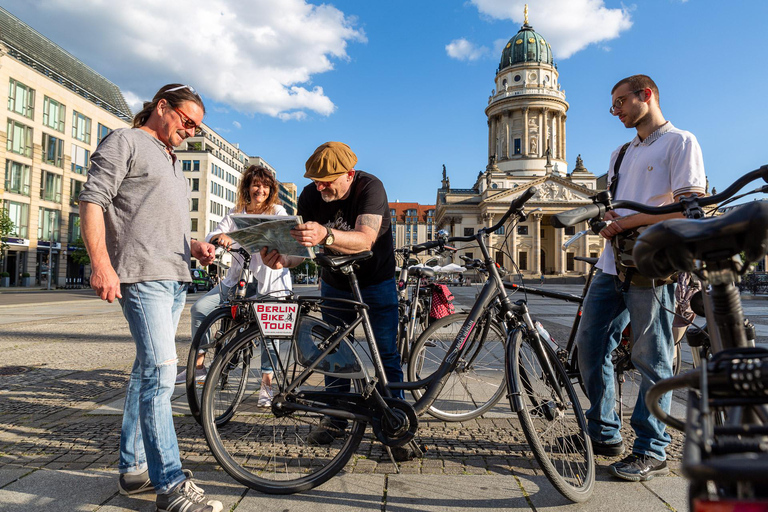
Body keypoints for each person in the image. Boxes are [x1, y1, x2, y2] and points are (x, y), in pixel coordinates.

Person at [79, 83, 223, 512]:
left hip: (173, 276)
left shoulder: (172, 160)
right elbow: (92, 199)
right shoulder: (126, 140)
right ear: (162, 107)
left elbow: (155, 219)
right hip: (141, 277)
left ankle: (133, 469)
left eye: (197, 127)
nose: (191, 131)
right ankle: (172, 487)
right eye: (187, 121)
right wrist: (102, 264)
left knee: (146, 374)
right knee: (162, 375)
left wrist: (193, 245)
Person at [576, 75, 706, 482]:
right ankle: (604, 430)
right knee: (590, 346)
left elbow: (691, 206)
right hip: (613, 263)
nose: (616, 112)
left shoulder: (681, 142)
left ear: (645, 96)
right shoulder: (619, 154)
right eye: (613, 105)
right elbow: (622, 205)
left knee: (652, 357)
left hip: (653, 264)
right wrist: (611, 219)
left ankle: (652, 448)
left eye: (620, 103)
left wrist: (633, 219)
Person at [260, 141, 411, 460]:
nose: (320, 187)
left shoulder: (370, 188)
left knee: (385, 353)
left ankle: (394, 427)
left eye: (327, 181)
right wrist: (282, 260)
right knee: (333, 352)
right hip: (334, 282)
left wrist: (326, 235)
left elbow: (365, 239)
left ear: (349, 174)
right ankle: (335, 420)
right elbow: (302, 251)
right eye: (315, 180)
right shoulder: (309, 196)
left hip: (376, 281)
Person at [178, 165, 292, 408]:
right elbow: (213, 235)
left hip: (270, 283)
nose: (260, 190)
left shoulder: (277, 211)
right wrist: (220, 239)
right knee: (200, 308)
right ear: (247, 188)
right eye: (255, 185)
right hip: (238, 279)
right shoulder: (236, 212)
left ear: (270, 189)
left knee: (268, 334)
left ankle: (267, 386)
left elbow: (276, 236)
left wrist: (238, 237)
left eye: (265, 186)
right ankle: (199, 367)